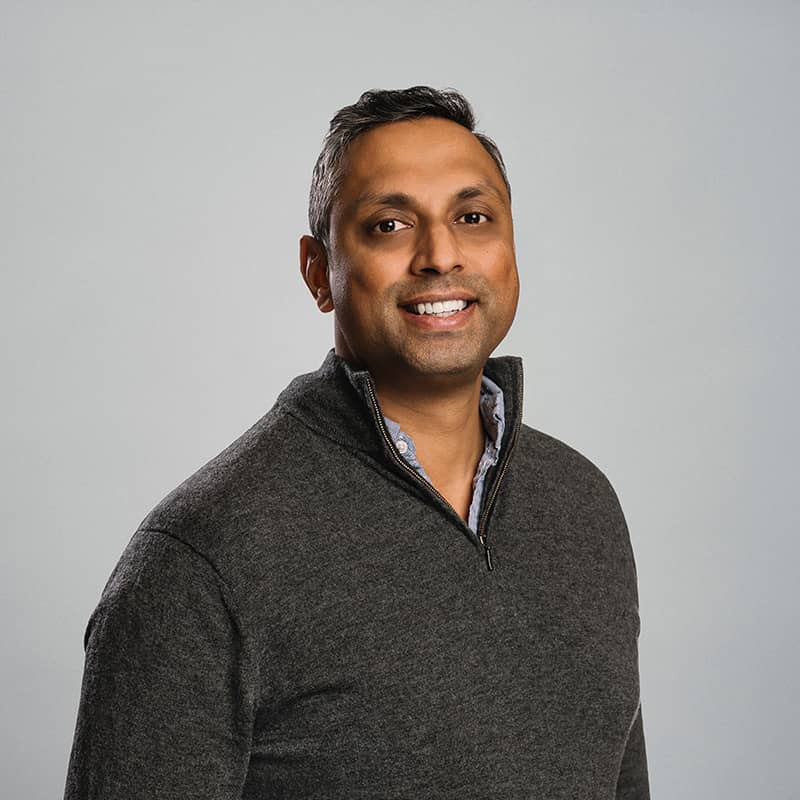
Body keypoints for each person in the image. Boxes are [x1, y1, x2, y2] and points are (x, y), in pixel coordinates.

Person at [64, 86, 650, 799]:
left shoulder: (584, 505)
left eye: (472, 217)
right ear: (320, 273)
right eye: (389, 225)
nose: (441, 255)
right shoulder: (202, 560)